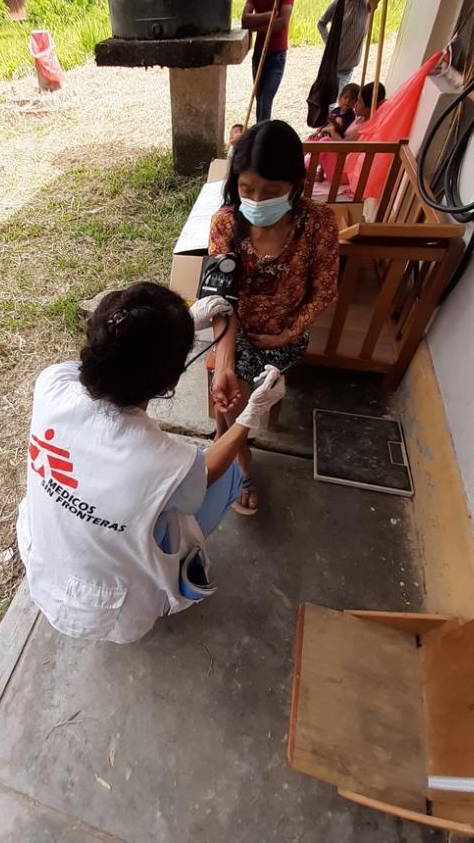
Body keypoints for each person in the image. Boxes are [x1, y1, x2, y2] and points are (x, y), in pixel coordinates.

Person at [17, 282, 285, 643]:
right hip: (112, 615)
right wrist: (248, 416)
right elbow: (204, 477)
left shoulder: (51, 384)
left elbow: (100, 362)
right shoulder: (164, 461)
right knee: (227, 475)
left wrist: (169, 330)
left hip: (44, 569)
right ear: (171, 381)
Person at [209, 121, 339, 515]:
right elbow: (220, 297)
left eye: (271, 191)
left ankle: (223, 440)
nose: (256, 199)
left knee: (232, 406)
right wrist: (224, 361)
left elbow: (325, 290)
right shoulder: (226, 223)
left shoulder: (318, 224)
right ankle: (242, 467)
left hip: (285, 335)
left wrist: (289, 333)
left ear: (294, 184)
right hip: (236, 331)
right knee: (233, 399)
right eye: (246, 189)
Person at [241, 0, 295, 122]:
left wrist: (258, 24)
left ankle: (262, 144)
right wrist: (269, 15)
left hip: (277, 55)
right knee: (259, 101)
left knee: (265, 101)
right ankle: (260, 141)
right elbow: (245, 20)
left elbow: (283, 24)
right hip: (259, 55)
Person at [317, 0, 379, 93]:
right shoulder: (337, 3)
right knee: (322, 101)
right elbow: (321, 23)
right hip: (329, 65)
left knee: (334, 105)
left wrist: (373, 0)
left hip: (345, 69)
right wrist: (329, 42)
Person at [312, 81, 387, 186]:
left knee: (325, 142)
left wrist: (332, 130)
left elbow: (343, 146)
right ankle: (301, 164)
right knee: (316, 138)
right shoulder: (360, 118)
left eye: (359, 102)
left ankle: (302, 170)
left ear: (369, 107)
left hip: (343, 173)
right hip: (340, 163)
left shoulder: (365, 127)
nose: (355, 104)